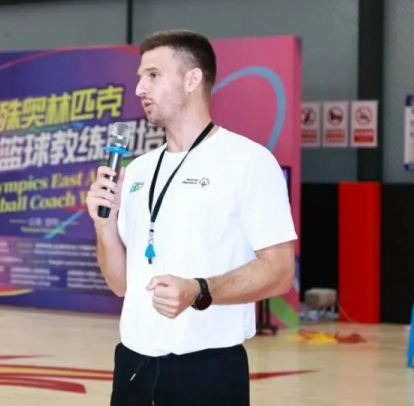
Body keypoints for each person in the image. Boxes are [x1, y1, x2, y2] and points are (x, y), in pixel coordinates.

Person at [85, 30, 297, 405]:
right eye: (140, 77)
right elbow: (120, 285)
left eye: (153, 75)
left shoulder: (247, 162)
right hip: (133, 365)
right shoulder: (136, 171)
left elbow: (280, 272)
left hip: (207, 370)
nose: (140, 89)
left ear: (192, 80)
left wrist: (199, 290)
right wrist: (105, 227)